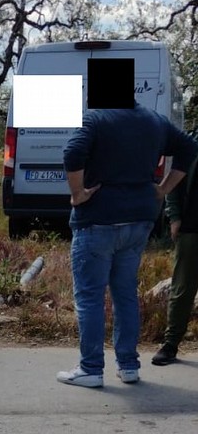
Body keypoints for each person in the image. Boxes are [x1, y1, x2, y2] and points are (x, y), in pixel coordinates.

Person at [57, 103, 198, 388]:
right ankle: (128, 365)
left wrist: (77, 194)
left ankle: (91, 369)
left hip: (98, 219)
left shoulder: (95, 118)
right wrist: (162, 189)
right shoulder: (155, 121)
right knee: (125, 294)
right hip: (139, 220)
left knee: (90, 297)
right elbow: (189, 148)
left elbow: (72, 152)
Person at [152, 130, 198, 366]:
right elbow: (174, 182)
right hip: (191, 228)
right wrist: (174, 217)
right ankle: (170, 345)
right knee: (182, 289)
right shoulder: (191, 143)